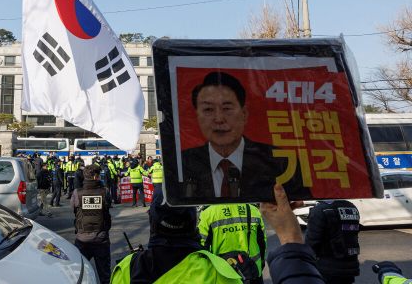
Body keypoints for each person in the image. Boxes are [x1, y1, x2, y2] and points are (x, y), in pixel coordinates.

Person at [111, 184, 324, 284]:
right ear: (193, 221)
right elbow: (262, 242)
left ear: (152, 221)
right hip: (252, 271)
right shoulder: (220, 274)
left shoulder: (124, 270)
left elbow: (204, 242)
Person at [181, 71, 312, 200]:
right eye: (208, 109)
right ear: (197, 116)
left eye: (227, 108)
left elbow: (300, 207)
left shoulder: (281, 161)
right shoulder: (182, 163)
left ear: (244, 114)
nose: (219, 119)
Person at [198, 204, 267, 284]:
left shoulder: (208, 213)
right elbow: (262, 242)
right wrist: (261, 263)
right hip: (252, 271)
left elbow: (201, 247)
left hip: (222, 274)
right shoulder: (252, 209)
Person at [71, 165, 112, 284]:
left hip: (82, 240)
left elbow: (74, 209)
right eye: (100, 175)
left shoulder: (77, 193)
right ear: (95, 177)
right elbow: (108, 205)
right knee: (105, 277)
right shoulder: (105, 192)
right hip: (101, 240)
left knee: (80, 276)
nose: (101, 177)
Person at [304, 200, 361, 284]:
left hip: (327, 267)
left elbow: (312, 241)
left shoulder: (321, 209)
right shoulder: (351, 206)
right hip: (350, 265)